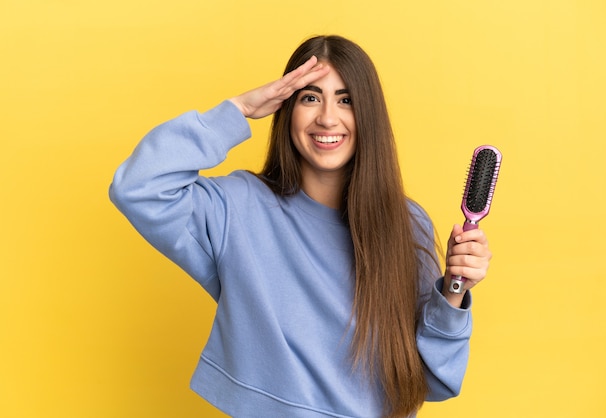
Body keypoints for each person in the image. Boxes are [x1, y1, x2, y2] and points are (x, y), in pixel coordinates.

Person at [109, 35, 492, 418]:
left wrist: (454, 294)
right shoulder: (237, 207)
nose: (327, 117)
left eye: (346, 100)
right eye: (310, 97)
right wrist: (237, 110)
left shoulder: (407, 225)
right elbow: (137, 186)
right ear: (286, 109)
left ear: (368, 116)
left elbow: (432, 379)